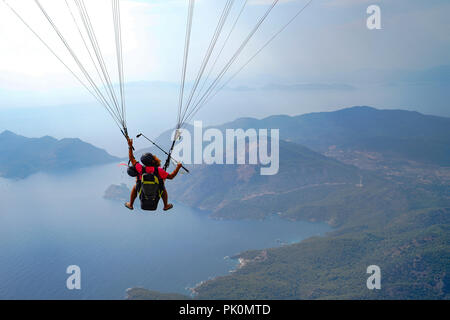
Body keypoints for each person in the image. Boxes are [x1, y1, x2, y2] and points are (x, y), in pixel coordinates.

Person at [125, 137, 182, 211]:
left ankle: (131, 204)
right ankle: (166, 205)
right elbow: (171, 176)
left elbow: (131, 158)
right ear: (153, 160)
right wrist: (178, 167)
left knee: (135, 186)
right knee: (163, 187)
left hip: (142, 192)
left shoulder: (140, 168)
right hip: (156, 193)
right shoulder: (159, 170)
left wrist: (130, 146)